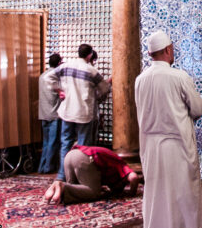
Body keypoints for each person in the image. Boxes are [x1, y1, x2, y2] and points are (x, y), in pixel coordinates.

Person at [135, 30, 202, 228]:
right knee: (183, 201)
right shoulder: (179, 77)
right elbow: (197, 109)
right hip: (177, 148)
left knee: (157, 201)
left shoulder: (140, 80)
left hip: (151, 149)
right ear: (167, 50)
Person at [55, 43, 110, 181]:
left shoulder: (66, 66)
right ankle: (80, 177)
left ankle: (62, 176)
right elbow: (104, 90)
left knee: (65, 144)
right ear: (90, 55)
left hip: (67, 112)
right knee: (84, 147)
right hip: (83, 114)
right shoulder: (91, 71)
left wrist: (59, 91)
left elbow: (48, 78)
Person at [42, 144, 140, 204]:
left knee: (76, 190)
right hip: (84, 158)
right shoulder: (121, 165)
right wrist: (132, 192)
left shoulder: (110, 171)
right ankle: (62, 186)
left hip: (71, 155)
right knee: (93, 193)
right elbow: (134, 177)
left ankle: (57, 187)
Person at [37, 53, 62, 173]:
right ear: (59, 63)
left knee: (46, 142)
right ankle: (48, 168)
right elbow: (62, 94)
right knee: (53, 142)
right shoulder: (56, 78)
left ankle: (41, 167)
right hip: (54, 114)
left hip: (43, 113)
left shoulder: (42, 76)